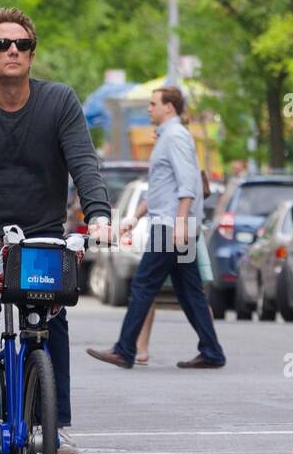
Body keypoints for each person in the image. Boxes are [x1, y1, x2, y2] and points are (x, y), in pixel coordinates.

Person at [0, 6, 112, 454]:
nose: (13, 50)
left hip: (41, 233)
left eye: (22, 45)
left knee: (52, 319)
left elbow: (83, 164)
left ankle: (57, 429)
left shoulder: (59, 101)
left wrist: (99, 215)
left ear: (32, 55)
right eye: (2, 44)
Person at [87, 86, 226, 370]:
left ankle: (124, 350)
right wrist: (134, 218)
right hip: (175, 224)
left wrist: (180, 222)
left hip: (171, 227)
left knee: (143, 283)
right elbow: (162, 189)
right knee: (189, 290)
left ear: (169, 108)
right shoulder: (168, 137)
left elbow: (188, 182)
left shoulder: (175, 137)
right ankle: (212, 351)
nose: (149, 108)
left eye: (153, 104)